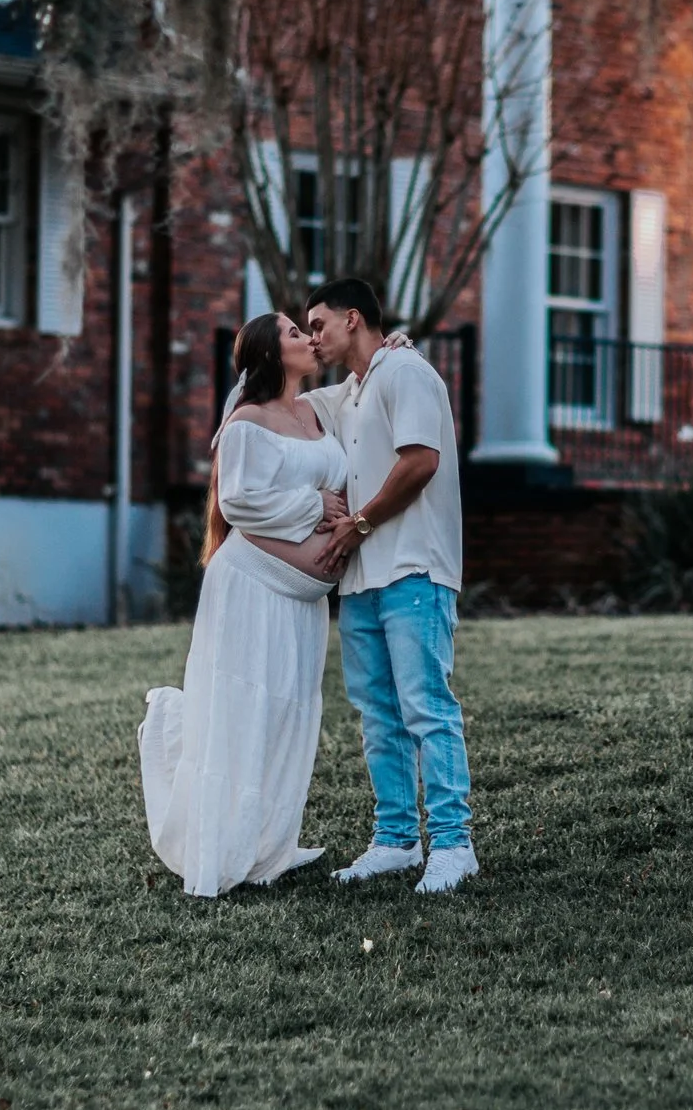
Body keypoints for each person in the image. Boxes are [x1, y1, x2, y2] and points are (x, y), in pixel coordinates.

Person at [135, 312, 352, 898]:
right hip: (251, 589)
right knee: (245, 709)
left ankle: (267, 845)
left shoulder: (315, 411)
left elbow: (366, 382)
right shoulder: (246, 423)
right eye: (293, 332)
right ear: (269, 354)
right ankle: (221, 848)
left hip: (301, 601)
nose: (308, 338)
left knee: (287, 713)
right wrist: (319, 508)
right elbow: (239, 501)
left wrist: (397, 345)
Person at [303, 278, 477, 896]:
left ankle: (454, 846)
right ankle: (396, 841)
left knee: (426, 707)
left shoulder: (405, 371)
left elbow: (420, 461)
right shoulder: (348, 393)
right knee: (378, 716)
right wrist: (273, 355)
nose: (313, 337)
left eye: (318, 324)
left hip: (413, 570)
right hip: (360, 581)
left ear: (354, 318)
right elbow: (272, 404)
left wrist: (359, 522)